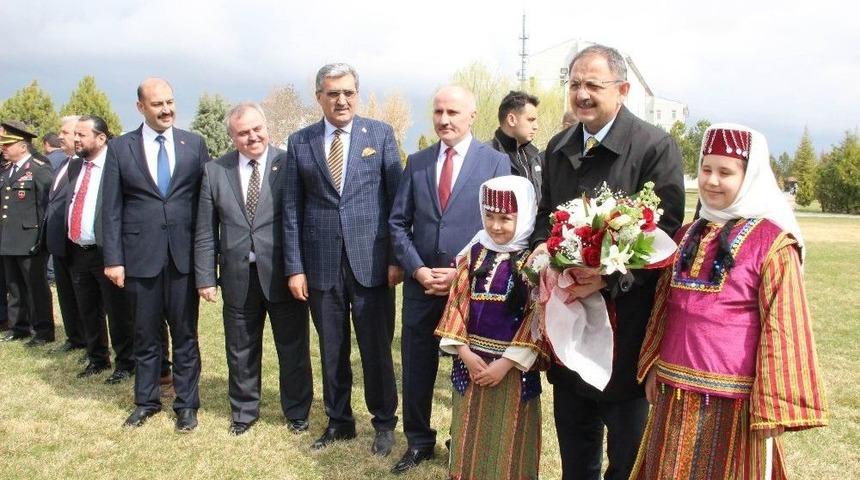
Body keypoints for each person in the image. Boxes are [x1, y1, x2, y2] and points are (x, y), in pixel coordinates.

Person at [630, 124, 828, 479]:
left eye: (725, 172)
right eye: (706, 169)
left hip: (734, 402)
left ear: (749, 177)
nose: (712, 181)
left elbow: (783, 325)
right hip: (673, 392)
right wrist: (653, 362)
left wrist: (775, 404)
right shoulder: (687, 234)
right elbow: (663, 306)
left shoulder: (773, 244)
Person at [528, 44, 685, 480]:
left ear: (622, 90)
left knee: (627, 456)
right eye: (574, 84)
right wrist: (545, 254)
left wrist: (605, 277)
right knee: (576, 455)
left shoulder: (654, 146)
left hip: (626, 331)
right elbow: (546, 217)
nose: (581, 94)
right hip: (569, 320)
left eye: (593, 85)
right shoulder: (558, 145)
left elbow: (666, 232)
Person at [388, 85, 510, 474]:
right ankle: (419, 441)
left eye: (453, 112)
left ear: (472, 115)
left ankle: (464, 438)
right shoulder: (418, 162)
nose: (444, 119)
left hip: (472, 288)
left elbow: (502, 231)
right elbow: (397, 224)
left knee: (469, 366)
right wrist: (419, 270)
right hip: (422, 285)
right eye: (438, 111)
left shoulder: (494, 163)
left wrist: (461, 272)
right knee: (417, 366)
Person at [283, 63, 402, 455]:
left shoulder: (381, 135)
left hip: (372, 263)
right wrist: (295, 267)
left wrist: (395, 259)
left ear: (357, 94)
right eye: (333, 93)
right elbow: (292, 210)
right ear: (319, 96)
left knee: (376, 349)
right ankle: (339, 421)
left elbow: (397, 205)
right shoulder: (300, 142)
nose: (341, 100)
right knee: (331, 347)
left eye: (349, 92)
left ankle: (384, 422)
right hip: (320, 265)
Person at [196, 102, 312, 436]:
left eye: (257, 129)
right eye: (243, 132)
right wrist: (205, 277)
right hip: (236, 277)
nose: (252, 137)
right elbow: (205, 230)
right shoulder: (214, 171)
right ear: (232, 136)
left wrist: (300, 268)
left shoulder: (289, 164)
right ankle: (244, 413)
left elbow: (301, 221)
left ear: (266, 127)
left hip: (283, 275)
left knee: (293, 348)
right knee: (240, 348)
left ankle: (297, 412)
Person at [102, 77, 210, 431]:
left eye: (170, 102)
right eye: (157, 104)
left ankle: (187, 405)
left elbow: (205, 207)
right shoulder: (120, 148)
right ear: (140, 108)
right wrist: (114, 259)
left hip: (183, 260)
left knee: (185, 335)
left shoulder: (194, 144)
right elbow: (111, 207)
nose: (166, 109)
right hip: (139, 258)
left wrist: (206, 261)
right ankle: (146, 401)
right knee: (145, 335)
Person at [435, 175, 550, 479]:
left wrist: (504, 364)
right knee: (468, 437)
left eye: (505, 218)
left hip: (511, 372)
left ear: (523, 215)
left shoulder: (533, 262)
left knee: (510, 444)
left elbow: (535, 318)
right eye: (489, 216)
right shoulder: (472, 255)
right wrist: (464, 353)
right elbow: (456, 305)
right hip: (470, 366)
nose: (495, 226)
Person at [67, 115, 135, 384]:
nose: (76, 140)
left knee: (117, 311)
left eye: (81, 135)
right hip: (78, 249)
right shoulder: (76, 167)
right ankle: (96, 358)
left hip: (107, 250)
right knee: (88, 308)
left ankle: (126, 362)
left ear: (101, 138)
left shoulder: (115, 165)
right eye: (75, 135)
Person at [0, 121, 55, 346]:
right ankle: (19, 327)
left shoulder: (39, 168)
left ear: (22, 146)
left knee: (35, 287)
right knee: (14, 286)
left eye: (7, 144)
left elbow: (46, 207)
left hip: (30, 239)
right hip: (8, 238)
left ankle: (43, 330)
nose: (3, 148)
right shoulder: (7, 170)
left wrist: (42, 238)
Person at [45, 116, 86, 354]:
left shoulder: (83, 165)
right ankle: (75, 337)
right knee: (66, 293)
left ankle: (90, 340)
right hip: (58, 241)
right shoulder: (63, 164)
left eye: (65, 132)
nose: (60, 136)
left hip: (76, 243)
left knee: (84, 298)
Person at [489, 91, 542, 201]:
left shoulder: (535, 157)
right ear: (511, 120)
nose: (536, 126)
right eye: (531, 120)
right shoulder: (485, 156)